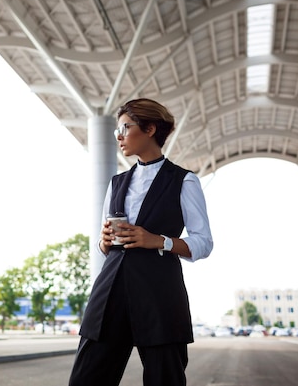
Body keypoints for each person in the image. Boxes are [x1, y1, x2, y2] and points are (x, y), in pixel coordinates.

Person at [69, 98, 214, 386]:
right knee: (85, 379)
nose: (119, 136)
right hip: (110, 291)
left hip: (159, 294)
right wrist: (104, 241)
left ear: (149, 129)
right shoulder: (116, 183)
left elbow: (203, 242)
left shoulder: (184, 181)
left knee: (165, 379)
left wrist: (158, 241)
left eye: (125, 128)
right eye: (116, 131)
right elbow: (104, 243)